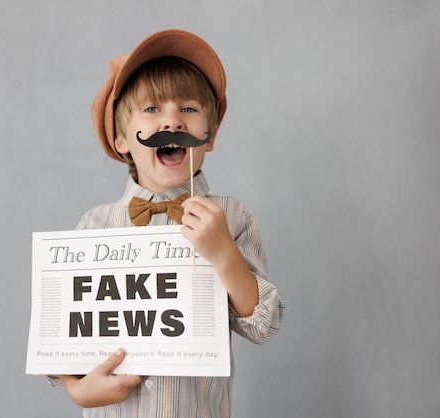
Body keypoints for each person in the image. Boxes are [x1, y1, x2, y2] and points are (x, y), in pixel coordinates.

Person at [47, 28, 285, 417]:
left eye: (189, 109)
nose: (172, 120)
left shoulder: (234, 217)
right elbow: (66, 336)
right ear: (122, 138)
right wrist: (77, 391)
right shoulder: (94, 224)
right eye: (152, 109)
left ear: (209, 136)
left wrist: (223, 254)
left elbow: (263, 326)